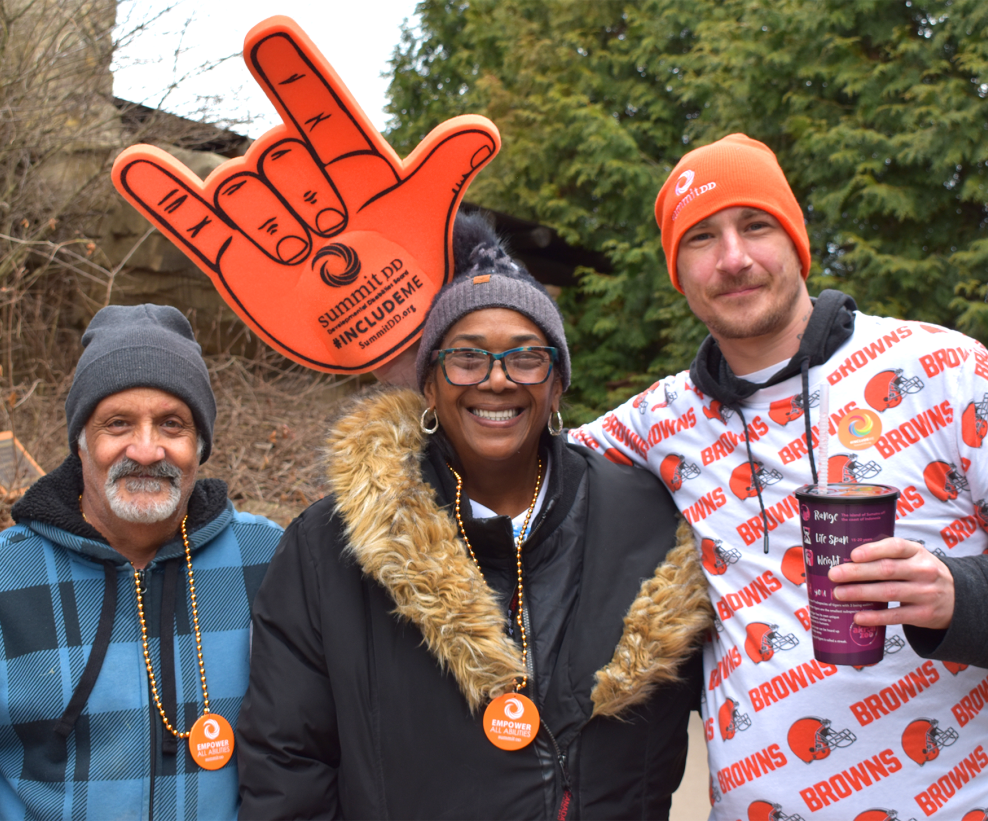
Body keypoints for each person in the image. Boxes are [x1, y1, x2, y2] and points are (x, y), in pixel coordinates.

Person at [572, 134, 988, 820]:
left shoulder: (938, 368)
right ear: (677, 270)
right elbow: (508, 456)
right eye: (701, 237)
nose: (733, 257)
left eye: (755, 225)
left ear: (796, 242)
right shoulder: (659, 420)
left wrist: (961, 592)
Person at [236, 214, 712, 819]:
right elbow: (286, 759)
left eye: (526, 357)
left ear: (557, 384)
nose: (495, 380)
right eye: (466, 358)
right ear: (429, 386)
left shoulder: (648, 519)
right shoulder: (331, 545)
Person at [0, 305, 284, 821]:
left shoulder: (271, 564)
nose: (146, 448)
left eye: (172, 424)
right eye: (117, 424)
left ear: (199, 445)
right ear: (81, 442)